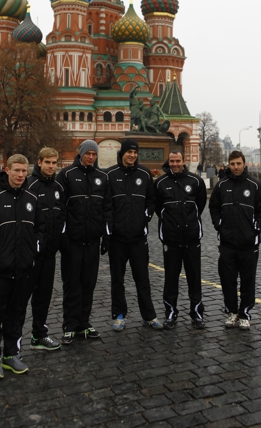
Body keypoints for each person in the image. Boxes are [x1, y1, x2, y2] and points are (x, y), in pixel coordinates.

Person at [0, 154, 44, 380]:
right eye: (17, 170)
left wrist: (33, 250)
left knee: (17, 313)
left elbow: (40, 229)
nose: (21, 175)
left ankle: (12, 354)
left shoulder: (32, 198)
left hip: (23, 269)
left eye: (24, 171)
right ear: (7, 170)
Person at [209, 150, 261, 331]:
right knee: (227, 280)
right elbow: (213, 207)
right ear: (228, 164)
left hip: (248, 244)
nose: (235, 167)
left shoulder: (255, 186)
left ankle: (245, 314)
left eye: (238, 163)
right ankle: (231, 312)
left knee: (247, 280)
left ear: (244, 164)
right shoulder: (222, 186)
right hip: (227, 243)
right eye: (232, 163)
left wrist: (256, 228)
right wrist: (218, 224)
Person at [106, 139, 162, 331]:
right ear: (122, 153)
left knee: (143, 278)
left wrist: (145, 217)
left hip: (138, 237)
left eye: (135, 152)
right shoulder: (110, 174)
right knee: (117, 279)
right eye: (129, 152)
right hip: (117, 239)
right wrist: (110, 228)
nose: (132, 155)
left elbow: (151, 200)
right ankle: (119, 315)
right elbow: (107, 205)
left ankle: (149, 316)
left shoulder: (145, 173)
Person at [57, 140, 110, 344]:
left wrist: (106, 235)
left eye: (94, 154)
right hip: (72, 240)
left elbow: (106, 208)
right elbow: (61, 207)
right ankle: (69, 325)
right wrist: (63, 236)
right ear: (80, 154)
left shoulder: (102, 177)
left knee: (88, 283)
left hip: (92, 241)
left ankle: (84, 323)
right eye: (87, 153)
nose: (90, 157)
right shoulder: (67, 175)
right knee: (72, 284)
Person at [155, 150, 207, 330]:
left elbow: (199, 205)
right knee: (171, 279)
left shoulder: (196, 181)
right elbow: (158, 208)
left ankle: (197, 313)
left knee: (194, 278)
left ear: (184, 161)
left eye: (178, 161)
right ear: (168, 162)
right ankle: (170, 314)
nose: (175, 164)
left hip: (192, 239)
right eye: (172, 161)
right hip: (171, 240)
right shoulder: (160, 183)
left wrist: (190, 223)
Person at [26, 147, 66, 351]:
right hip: (29, 254)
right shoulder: (29, 184)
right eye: (47, 162)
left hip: (49, 252)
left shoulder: (57, 187)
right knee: (20, 298)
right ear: (39, 162)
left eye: (54, 163)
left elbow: (61, 216)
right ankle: (9, 343)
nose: (51, 166)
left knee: (43, 296)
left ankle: (38, 335)